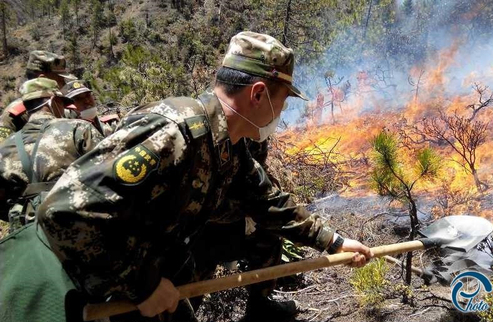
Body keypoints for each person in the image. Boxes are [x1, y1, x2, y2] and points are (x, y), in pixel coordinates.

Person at [39, 31, 373, 321]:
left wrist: (335, 242)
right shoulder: (177, 131)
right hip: (99, 291)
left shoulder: (227, 143)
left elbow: (267, 201)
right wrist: (143, 285)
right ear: (257, 94)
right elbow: (64, 211)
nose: (282, 113)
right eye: (282, 101)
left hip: (154, 274)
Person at [0, 78, 103, 231]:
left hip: (31, 238)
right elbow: (107, 173)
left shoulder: (5, 148)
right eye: (62, 104)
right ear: (53, 101)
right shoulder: (79, 129)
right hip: (81, 229)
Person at [0, 51, 76, 142]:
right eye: (60, 78)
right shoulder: (14, 115)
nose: (64, 83)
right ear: (42, 78)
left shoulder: (62, 107)